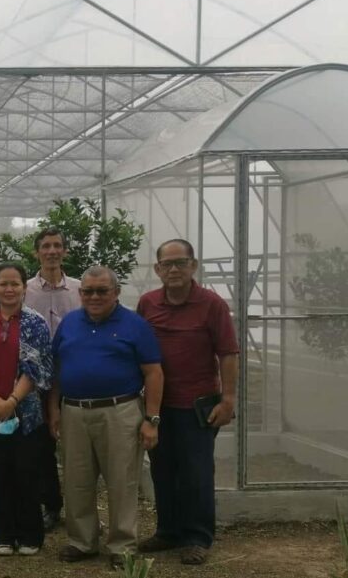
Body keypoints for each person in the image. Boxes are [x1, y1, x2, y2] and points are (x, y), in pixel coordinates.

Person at [48, 266, 163, 570]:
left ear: (116, 292)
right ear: (80, 293)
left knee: (122, 480)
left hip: (121, 412)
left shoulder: (135, 325)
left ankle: (122, 544)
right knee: (76, 480)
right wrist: (54, 408)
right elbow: (57, 370)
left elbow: (153, 372)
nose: (94, 297)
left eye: (102, 291)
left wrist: (152, 418)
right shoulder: (70, 323)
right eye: (88, 291)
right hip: (74, 411)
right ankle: (82, 541)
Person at [136, 239, 239, 566]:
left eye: (181, 262)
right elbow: (137, 350)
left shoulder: (212, 305)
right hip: (158, 406)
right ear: (158, 269)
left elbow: (228, 353)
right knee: (162, 472)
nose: (174, 269)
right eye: (167, 264)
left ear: (194, 266)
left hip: (197, 406)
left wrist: (229, 398)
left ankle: (197, 537)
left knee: (196, 474)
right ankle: (168, 531)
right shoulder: (148, 303)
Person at [0, 262, 53, 556]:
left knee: (27, 472)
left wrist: (12, 402)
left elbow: (38, 367)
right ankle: (3, 535)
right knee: (1, 472)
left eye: (15, 283)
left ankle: (30, 534)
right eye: (3, 284)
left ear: (24, 287)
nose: (9, 289)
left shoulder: (35, 322)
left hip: (27, 413)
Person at [23, 227, 82, 531]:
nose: (52, 251)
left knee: (75, 444)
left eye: (57, 245)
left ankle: (79, 505)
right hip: (35, 378)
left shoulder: (80, 289)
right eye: (45, 246)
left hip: (72, 373)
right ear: (37, 252)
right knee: (41, 444)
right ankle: (50, 504)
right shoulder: (26, 290)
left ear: (65, 251)